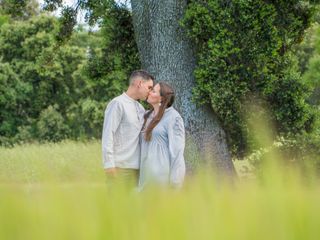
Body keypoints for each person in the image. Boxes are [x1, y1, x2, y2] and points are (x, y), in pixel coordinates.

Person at [102, 70, 154, 188]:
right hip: (120, 169)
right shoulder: (117, 104)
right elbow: (108, 135)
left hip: (137, 170)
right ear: (139, 83)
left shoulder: (140, 108)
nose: (150, 91)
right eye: (149, 87)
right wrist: (109, 165)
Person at [139, 82, 186, 190]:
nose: (149, 92)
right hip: (145, 179)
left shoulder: (174, 118)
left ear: (161, 99)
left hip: (162, 180)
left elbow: (177, 153)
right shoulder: (147, 116)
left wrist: (175, 184)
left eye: (154, 91)